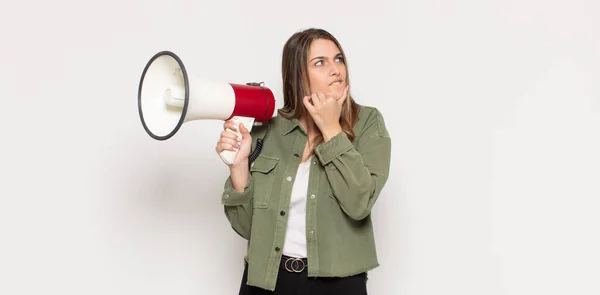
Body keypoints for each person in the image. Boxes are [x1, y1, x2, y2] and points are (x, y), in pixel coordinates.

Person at [215, 28, 391, 294]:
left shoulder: (367, 123)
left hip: (338, 285)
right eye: (320, 62)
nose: (336, 69)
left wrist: (332, 129)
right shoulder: (269, 131)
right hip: (265, 280)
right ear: (298, 77)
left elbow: (359, 204)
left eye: (339, 59)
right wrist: (239, 166)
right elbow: (247, 227)